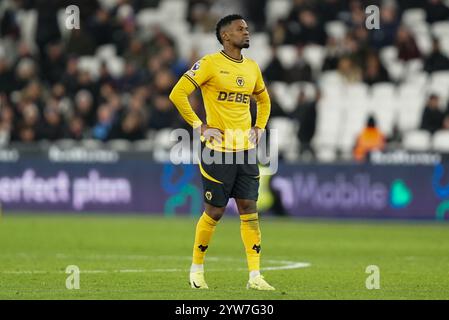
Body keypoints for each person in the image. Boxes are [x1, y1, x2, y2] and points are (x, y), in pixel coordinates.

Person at [169, 14, 274, 291]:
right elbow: (178, 93)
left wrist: (259, 127)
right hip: (217, 152)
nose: (247, 32)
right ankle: (197, 271)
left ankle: (255, 276)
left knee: (249, 209)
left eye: (248, 28)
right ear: (226, 35)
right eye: (241, 29)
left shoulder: (252, 68)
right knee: (214, 211)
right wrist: (199, 126)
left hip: (246, 151)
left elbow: (263, 100)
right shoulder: (209, 64)